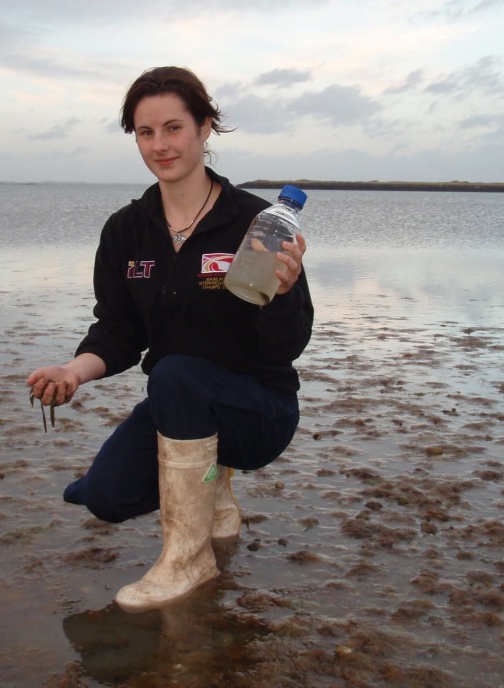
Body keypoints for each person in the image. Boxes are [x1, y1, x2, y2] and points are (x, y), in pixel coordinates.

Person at [27, 66, 313, 612]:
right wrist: (73, 370)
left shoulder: (255, 222)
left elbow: (287, 346)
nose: (160, 145)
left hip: (259, 410)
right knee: (104, 497)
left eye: (174, 128)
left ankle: (187, 559)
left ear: (206, 128)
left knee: (178, 372)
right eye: (145, 132)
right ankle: (214, 491)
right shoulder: (126, 230)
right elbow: (117, 329)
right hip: (178, 405)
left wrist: (287, 292)